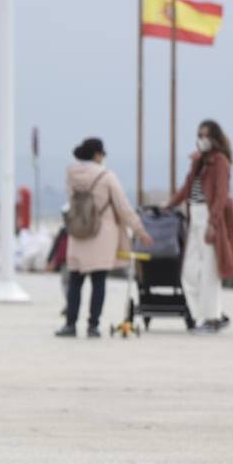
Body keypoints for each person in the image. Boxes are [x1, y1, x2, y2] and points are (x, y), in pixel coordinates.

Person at [57, 138, 152, 338]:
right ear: (98, 154)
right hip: (102, 233)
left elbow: (71, 199)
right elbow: (123, 207)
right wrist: (140, 230)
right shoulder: (107, 176)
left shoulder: (71, 174)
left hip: (78, 231)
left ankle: (70, 324)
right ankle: (93, 325)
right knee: (98, 281)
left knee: (75, 280)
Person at [166, 119, 233, 333]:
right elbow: (186, 187)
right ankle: (207, 314)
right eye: (200, 135)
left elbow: (221, 194)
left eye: (206, 136)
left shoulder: (220, 161)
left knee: (210, 271)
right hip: (194, 216)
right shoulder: (198, 161)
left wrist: (213, 222)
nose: (202, 140)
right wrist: (168, 205)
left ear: (215, 138)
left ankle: (212, 318)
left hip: (208, 217)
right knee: (189, 272)